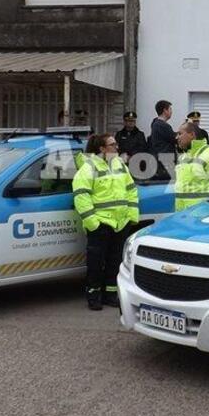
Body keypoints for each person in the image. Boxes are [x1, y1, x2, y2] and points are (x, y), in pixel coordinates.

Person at [72, 133, 139, 310]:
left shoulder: (119, 164)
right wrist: (93, 223)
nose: (117, 147)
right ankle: (94, 296)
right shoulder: (88, 167)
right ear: (102, 149)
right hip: (101, 223)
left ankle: (110, 294)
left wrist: (132, 215)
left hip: (121, 223)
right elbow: (81, 196)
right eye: (112, 144)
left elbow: (131, 189)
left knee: (115, 261)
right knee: (96, 262)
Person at [148, 100, 176, 180]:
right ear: (165, 110)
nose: (171, 112)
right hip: (164, 161)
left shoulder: (156, 123)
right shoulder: (162, 125)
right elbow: (174, 138)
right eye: (170, 109)